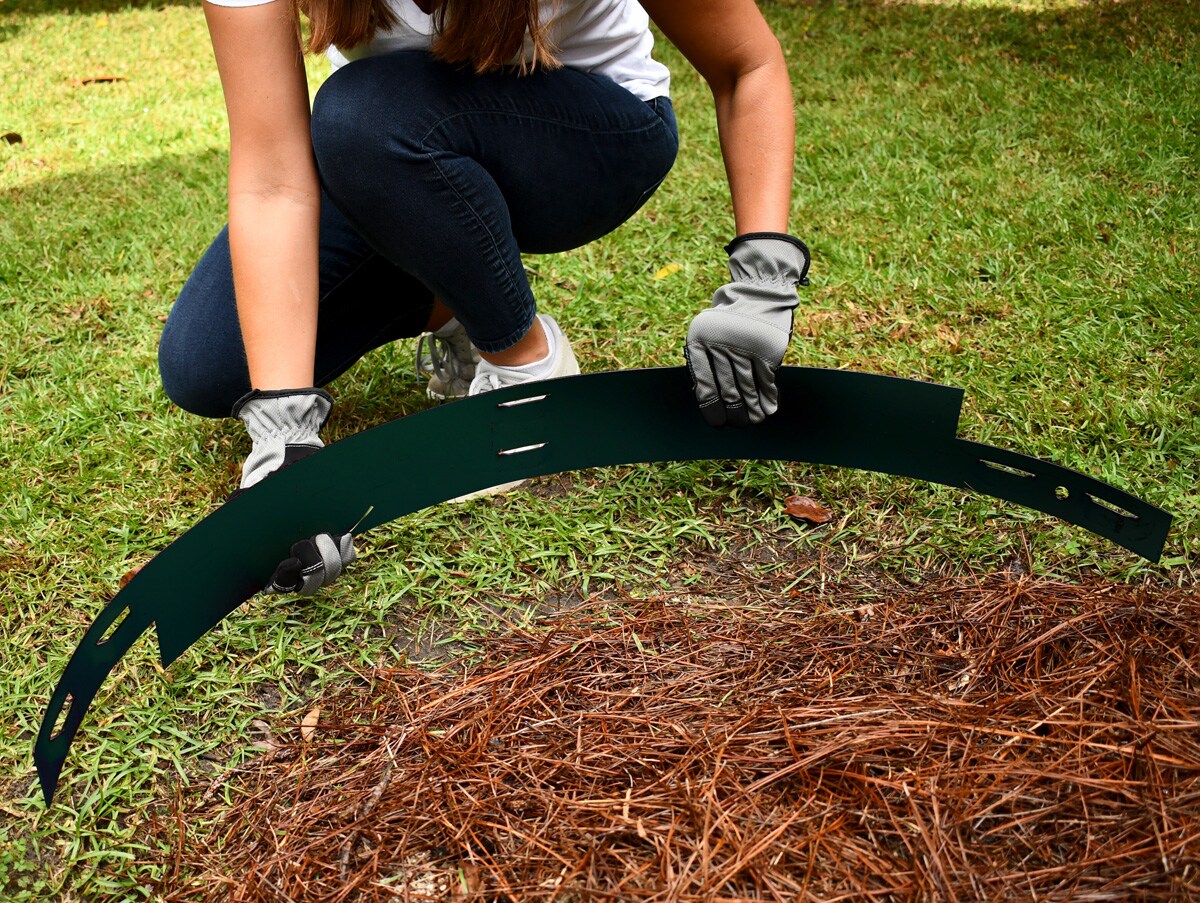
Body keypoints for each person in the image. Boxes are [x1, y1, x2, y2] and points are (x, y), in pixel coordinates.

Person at [159, 0, 810, 595]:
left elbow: (746, 65)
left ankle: (528, 365)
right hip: (391, 149)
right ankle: (457, 303)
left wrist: (762, 283)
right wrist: (285, 433)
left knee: (360, 115)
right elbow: (272, 180)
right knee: (210, 362)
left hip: (593, 139)